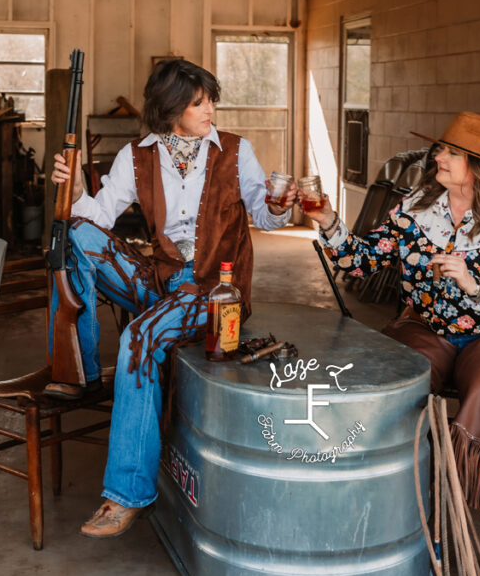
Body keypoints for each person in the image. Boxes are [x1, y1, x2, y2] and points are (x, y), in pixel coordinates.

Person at [306, 112, 480, 576]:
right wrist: (328, 220)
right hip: (429, 327)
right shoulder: (416, 208)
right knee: (396, 383)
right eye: (440, 149)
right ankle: (398, 517)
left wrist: (472, 283)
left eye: (450, 152)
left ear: (477, 166)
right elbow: (360, 260)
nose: (437, 157)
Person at [49, 57, 295, 539]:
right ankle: (75, 369)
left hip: (213, 289)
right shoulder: (137, 156)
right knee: (74, 232)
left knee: (140, 337)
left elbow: (265, 217)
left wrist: (278, 206)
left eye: (210, 100)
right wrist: (76, 186)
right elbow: (98, 216)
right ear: (170, 108)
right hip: (161, 281)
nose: (210, 110)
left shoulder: (236, 152)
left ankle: (125, 495)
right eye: (198, 102)